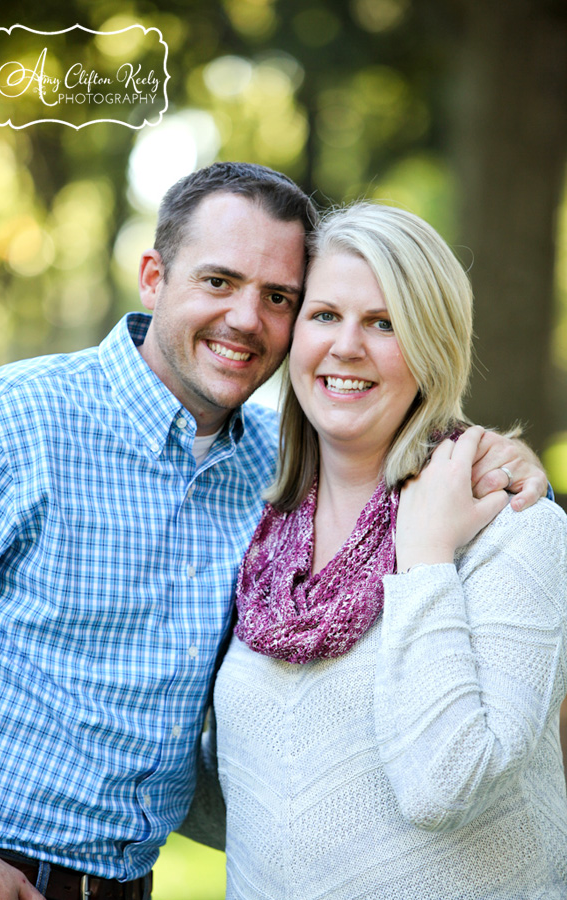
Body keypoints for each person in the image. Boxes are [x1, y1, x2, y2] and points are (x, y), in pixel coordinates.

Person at [0, 162, 547, 900]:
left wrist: (499, 457)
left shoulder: (281, 477)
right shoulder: (15, 420)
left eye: (278, 297)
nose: (246, 318)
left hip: (126, 883)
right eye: (218, 282)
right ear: (152, 276)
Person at [200, 202, 567, 898]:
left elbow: (448, 783)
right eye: (325, 315)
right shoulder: (260, 532)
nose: (346, 347)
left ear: (433, 347)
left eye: (384, 323)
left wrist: (425, 556)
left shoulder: (515, 529)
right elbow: (253, 798)